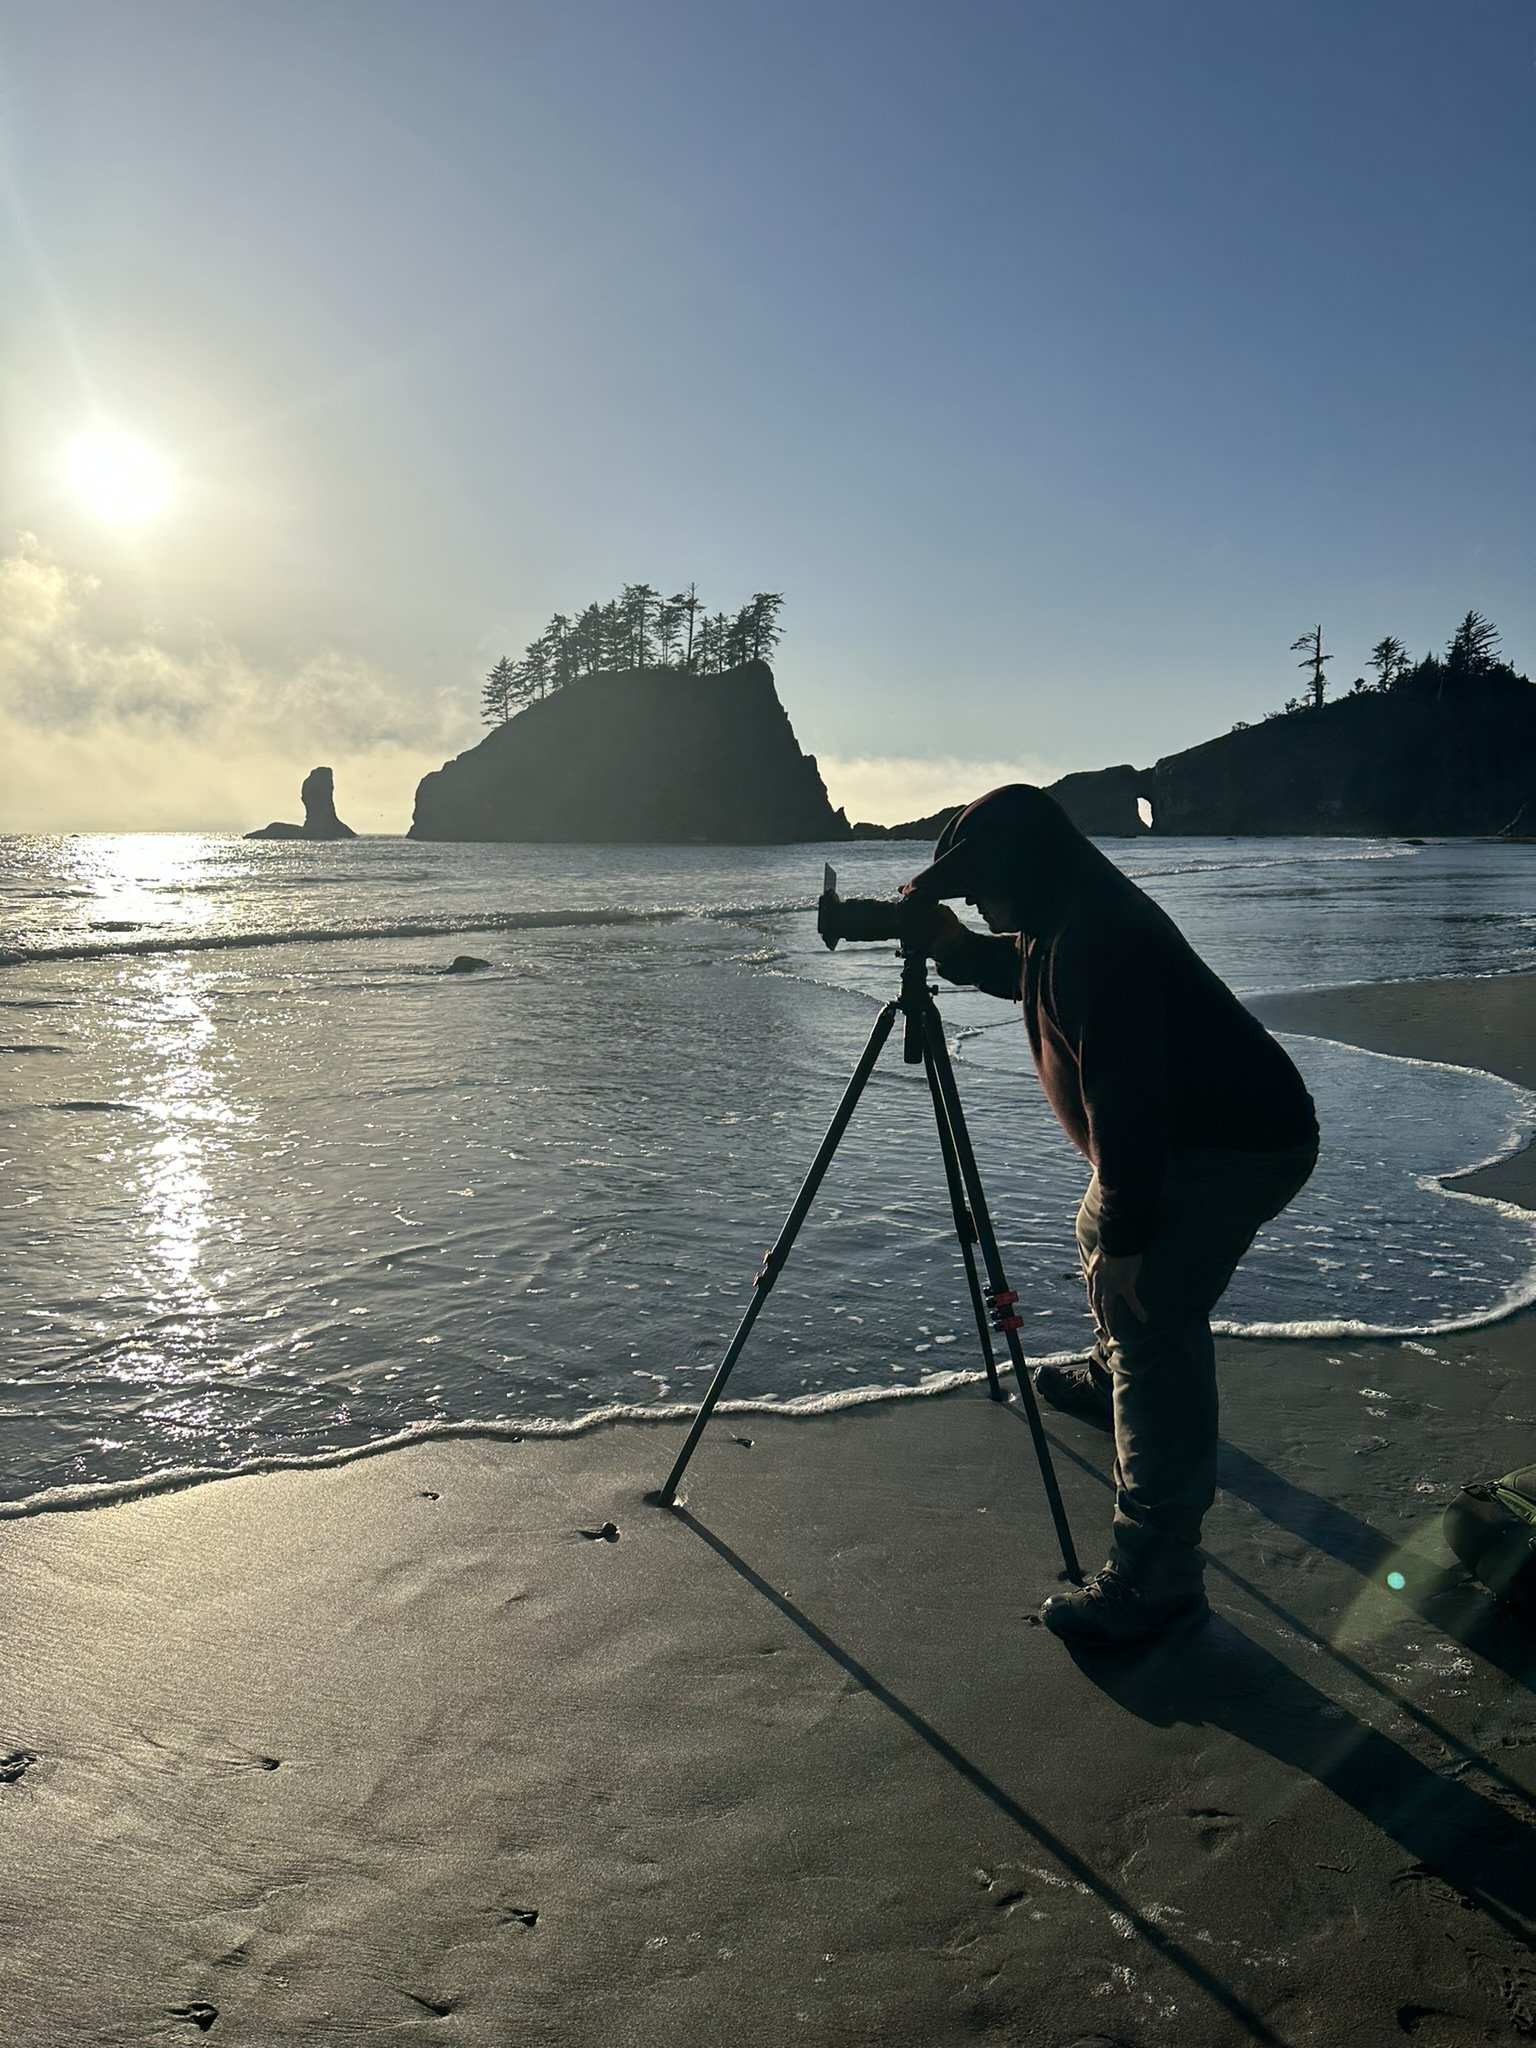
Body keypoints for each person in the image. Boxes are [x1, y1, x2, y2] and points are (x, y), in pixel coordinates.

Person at [902, 785, 1319, 1649]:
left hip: (1235, 1145)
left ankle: (1157, 1577)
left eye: (978, 881)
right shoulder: (1067, 917)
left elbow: (1127, 1100)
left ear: (1020, 867)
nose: (971, 896)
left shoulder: (1098, 939)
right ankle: (1107, 1378)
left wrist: (1135, 1238)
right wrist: (957, 949)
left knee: (1149, 1309)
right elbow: (1031, 975)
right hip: (1188, 1136)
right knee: (1098, 1232)